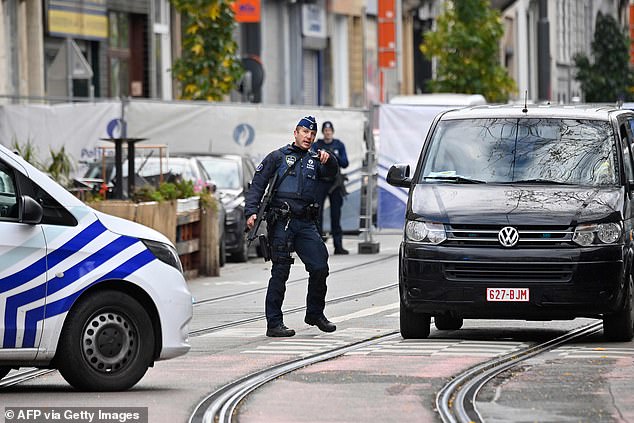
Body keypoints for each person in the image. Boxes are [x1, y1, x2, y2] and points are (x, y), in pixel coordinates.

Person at [245, 116, 339, 337]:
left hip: (306, 223)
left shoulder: (316, 159)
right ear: (295, 133)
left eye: (312, 134)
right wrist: (251, 212)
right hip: (282, 222)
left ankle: (315, 313)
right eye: (305, 132)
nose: (309, 137)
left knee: (319, 267)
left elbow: (332, 172)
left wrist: (330, 159)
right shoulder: (278, 157)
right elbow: (258, 184)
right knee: (280, 272)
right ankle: (274, 323)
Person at [311, 121, 350, 255]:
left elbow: (345, 163)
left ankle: (338, 246)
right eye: (325, 131)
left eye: (329, 131)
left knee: (335, 215)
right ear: (323, 132)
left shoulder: (339, 145)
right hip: (321, 182)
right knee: (317, 214)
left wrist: (333, 155)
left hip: (335, 183)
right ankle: (318, 245)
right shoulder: (317, 145)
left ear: (332, 132)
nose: (327, 133)